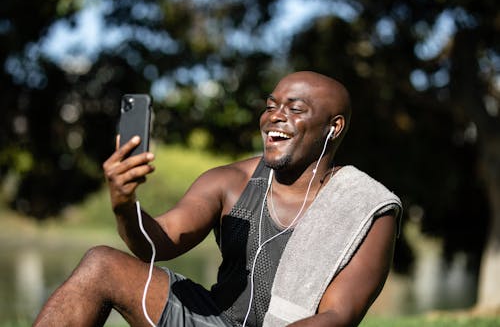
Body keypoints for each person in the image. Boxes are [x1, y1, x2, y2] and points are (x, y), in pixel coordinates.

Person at [33, 71, 401, 327]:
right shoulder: (229, 181)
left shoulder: (366, 207)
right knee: (101, 264)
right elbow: (156, 244)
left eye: (295, 109)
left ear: (333, 127)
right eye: (271, 105)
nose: (275, 117)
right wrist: (124, 206)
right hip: (211, 320)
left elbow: (338, 317)